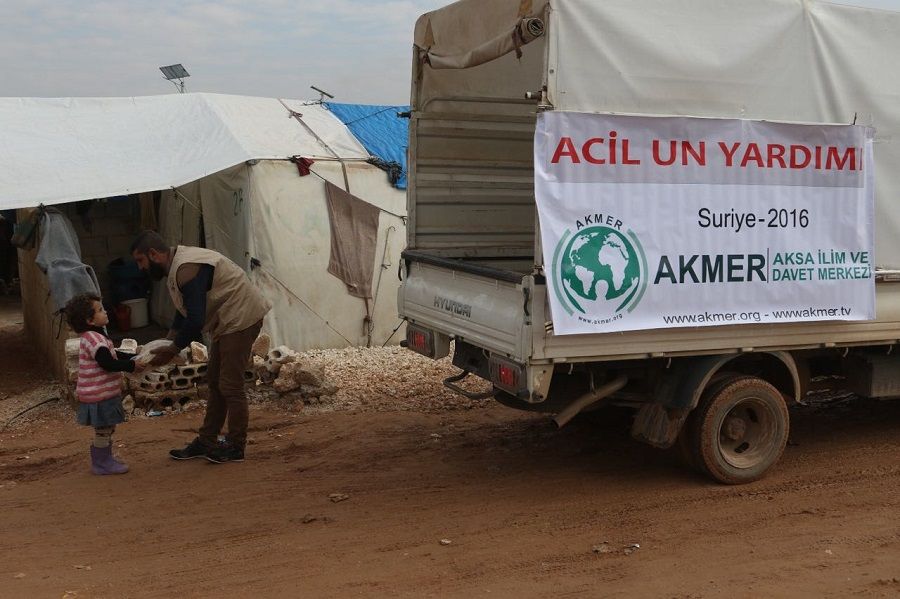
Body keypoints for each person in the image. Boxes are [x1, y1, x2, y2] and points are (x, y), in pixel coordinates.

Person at [130, 230, 271, 464]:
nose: (140, 268)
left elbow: (194, 319)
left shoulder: (186, 268)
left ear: (154, 254)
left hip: (241, 316)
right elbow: (183, 308)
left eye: (140, 260)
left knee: (230, 385)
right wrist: (170, 339)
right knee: (215, 382)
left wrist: (173, 349)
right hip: (227, 320)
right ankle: (207, 441)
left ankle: (236, 446)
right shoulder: (178, 265)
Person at [65, 293, 148, 475]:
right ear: (89, 320)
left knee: (106, 428)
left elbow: (113, 356)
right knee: (103, 430)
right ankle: (102, 463)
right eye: (100, 310)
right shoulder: (95, 339)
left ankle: (105, 459)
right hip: (99, 396)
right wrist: (132, 365)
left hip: (101, 394)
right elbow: (108, 363)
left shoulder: (95, 336)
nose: (106, 312)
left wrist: (132, 357)